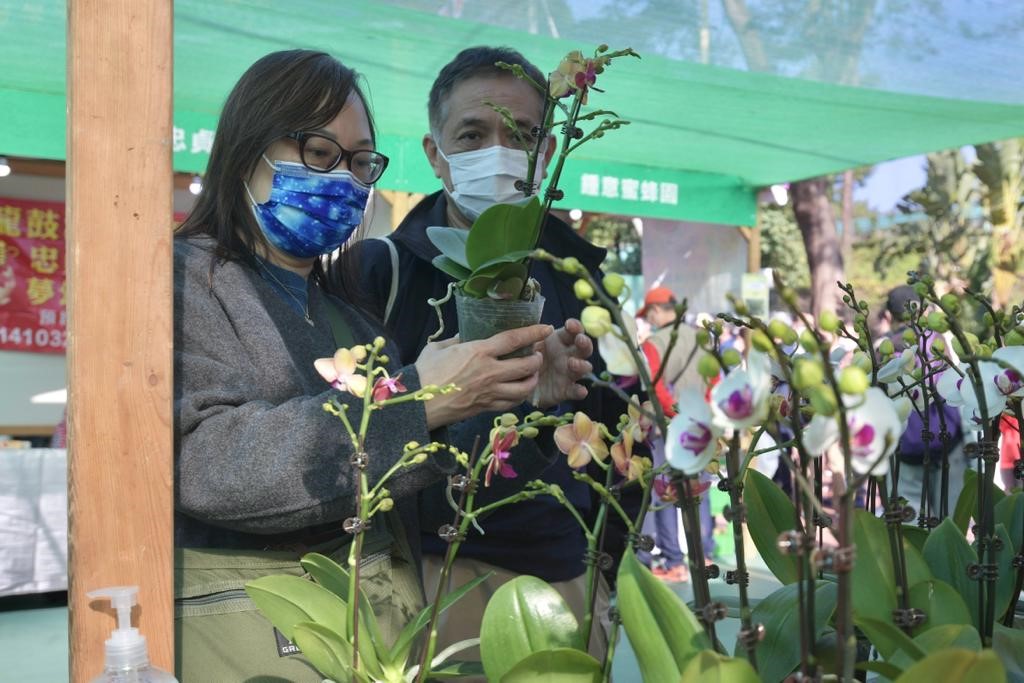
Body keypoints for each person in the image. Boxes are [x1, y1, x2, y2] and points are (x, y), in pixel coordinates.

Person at [172, 49, 589, 681]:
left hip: (377, 632)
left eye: (360, 161)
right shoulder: (187, 280)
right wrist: (421, 399)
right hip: (252, 633)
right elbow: (206, 464)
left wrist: (524, 399)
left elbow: (424, 477)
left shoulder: (351, 312)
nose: (342, 179)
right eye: (318, 152)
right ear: (244, 149)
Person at [335, 45, 636, 662]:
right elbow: (351, 439)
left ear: (547, 153)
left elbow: (620, 437)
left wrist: (602, 568)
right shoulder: (379, 271)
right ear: (435, 155)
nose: (497, 152)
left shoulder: (580, 280)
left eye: (521, 134)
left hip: (564, 579)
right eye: (472, 134)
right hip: (430, 583)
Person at [877, 285, 966, 519]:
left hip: (905, 446)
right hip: (947, 438)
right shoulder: (936, 340)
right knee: (952, 521)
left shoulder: (882, 351)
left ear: (888, 316)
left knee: (910, 524)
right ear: (922, 310)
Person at [635, 287, 700, 581]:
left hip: (666, 428)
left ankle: (662, 560)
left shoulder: (654, 343)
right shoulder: (700, 339)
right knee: (690, 494)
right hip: (699, 425)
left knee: (659, 494)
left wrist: (675, 416)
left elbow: (655, 389)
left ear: (655, 311)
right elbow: (712, 380)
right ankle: (682, 559)